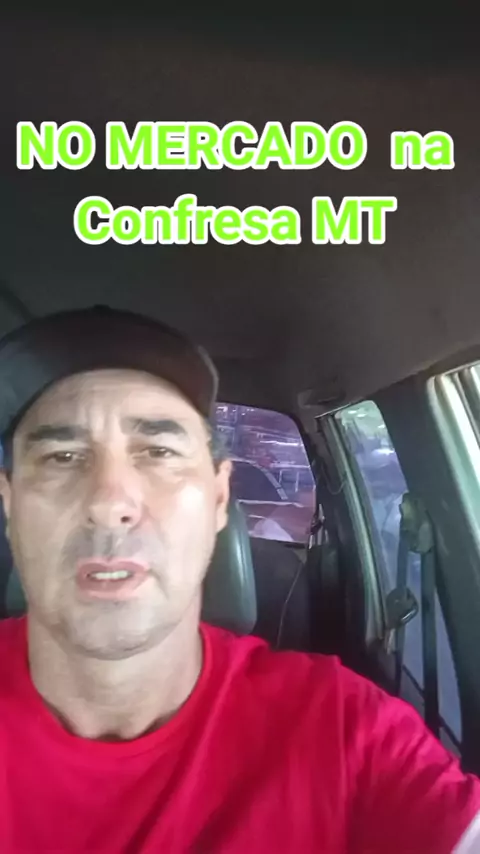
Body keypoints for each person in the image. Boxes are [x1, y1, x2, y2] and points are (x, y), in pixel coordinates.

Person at [0, 305, 479, 854]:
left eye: (158, 452)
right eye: (62, 456)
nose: (109, 504)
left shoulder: (344, 729)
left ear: (219, 498)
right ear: (9, 504)